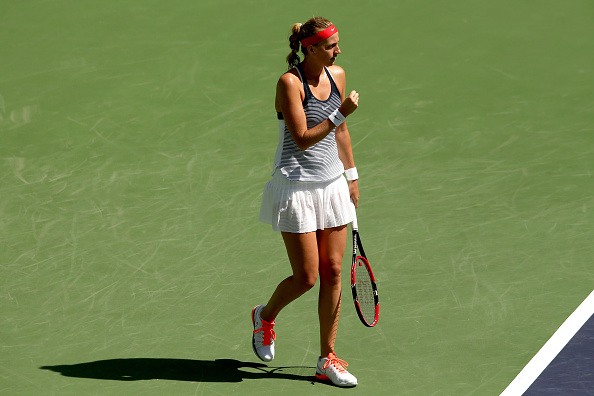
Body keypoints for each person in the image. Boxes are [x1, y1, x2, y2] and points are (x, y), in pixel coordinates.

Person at [254, 16, 360, 387]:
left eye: (337, 45)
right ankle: (265, 317)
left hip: (331, 186)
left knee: (333, 272)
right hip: (296, 188)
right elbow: (301, 138)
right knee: (307, 277)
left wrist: (352, 175)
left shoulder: (338, 75)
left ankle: (326, 358)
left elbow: (341, 133)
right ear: (311, 47)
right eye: (331, 46)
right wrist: (339, 112)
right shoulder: (289, 83)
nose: (338, 51)